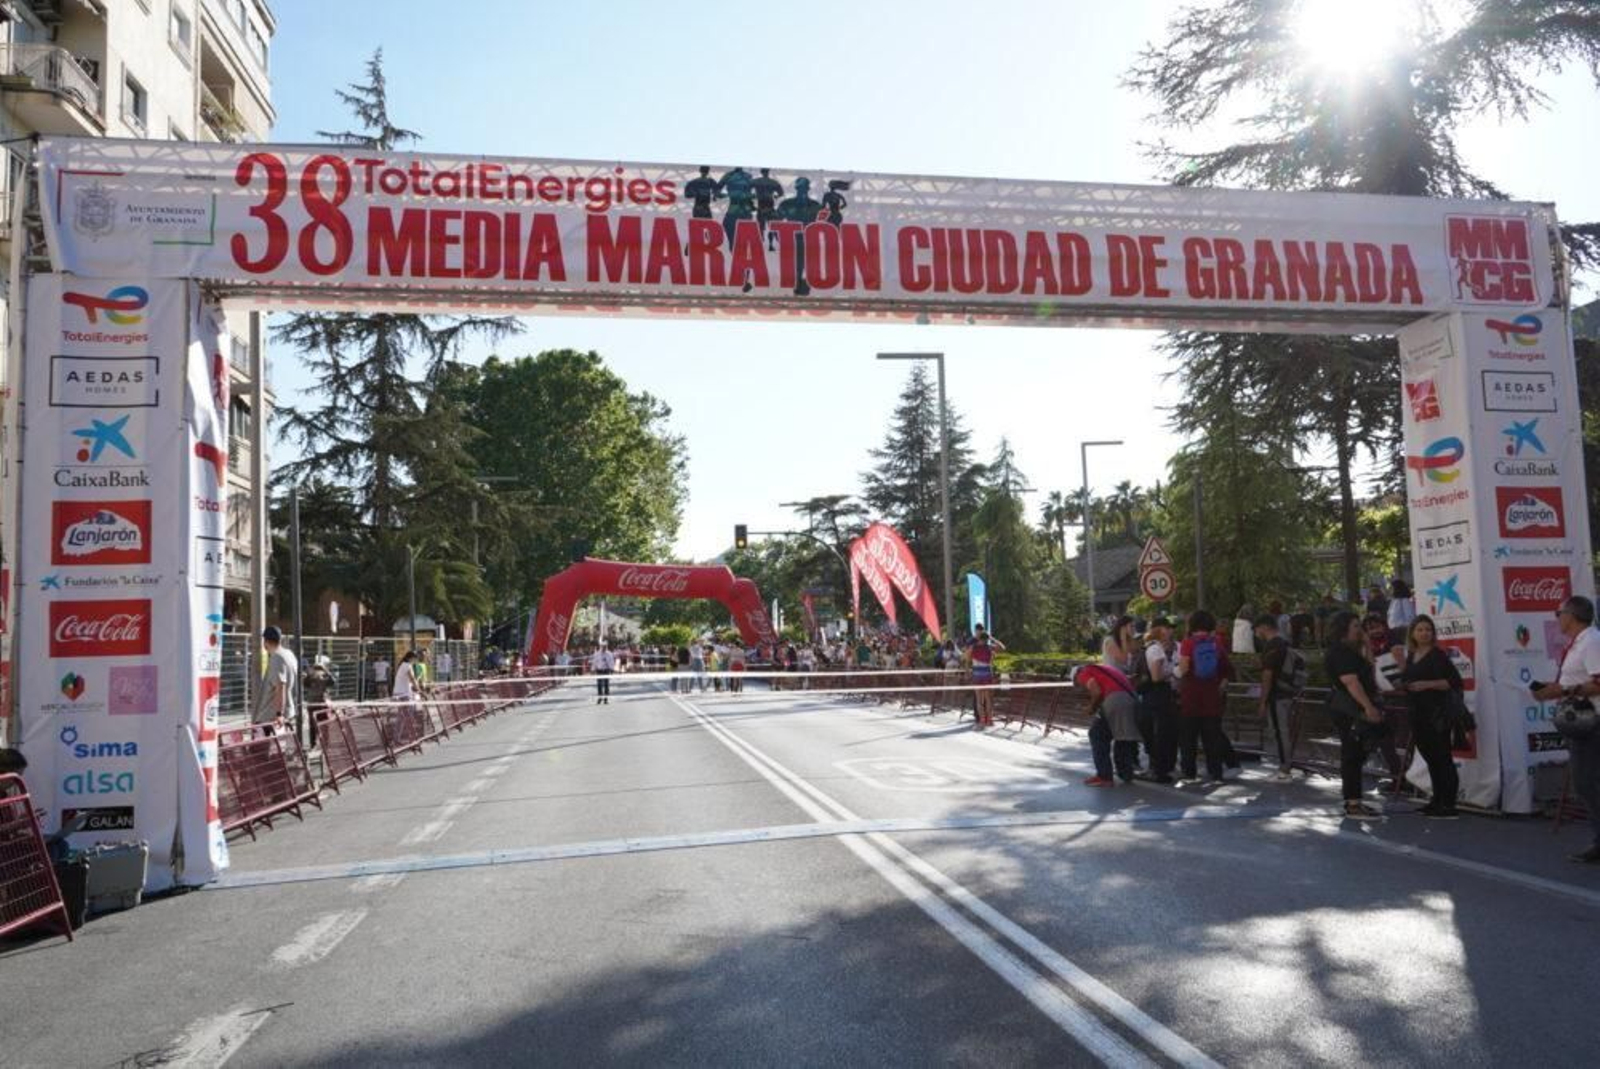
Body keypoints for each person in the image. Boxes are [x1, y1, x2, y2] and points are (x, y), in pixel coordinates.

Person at [1533, 595, 1600, 863]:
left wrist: (1565, 689)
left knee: (1587, 783)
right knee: (1587, 783)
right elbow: (1576, 681)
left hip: (1593, 722)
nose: (1556, 617)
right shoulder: (1579, 643)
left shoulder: (1592, 641)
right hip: (1581, 722)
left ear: (1571, 615)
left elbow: (1596, 682)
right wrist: (1549, 691)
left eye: (1558, 612)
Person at [1398, 614, 1464, 818]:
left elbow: (1453, 682)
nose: (1425, 633)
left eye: (1428, 629)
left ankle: (1449, 804)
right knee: (1430, 757)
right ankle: (1436, 800)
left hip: (1437, 713)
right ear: (1413, 633)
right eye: (1420, 630)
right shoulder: (1412, 654)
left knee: (1443, 757)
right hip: (1417, 712)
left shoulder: (1438, 655)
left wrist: (1426, 684)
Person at [1325, 610, 1387, 820]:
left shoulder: (1350, 651)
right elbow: (1351, 682)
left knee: (1356, 753)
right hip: (1349, 710)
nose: (1359, 630)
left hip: (1353, 708)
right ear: (1343, 629)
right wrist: (1368, 707)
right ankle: (1352, 803)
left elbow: (1370, 667)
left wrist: (1366, 643)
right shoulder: (1340, 652)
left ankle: (1355, 800)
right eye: (1355, 626)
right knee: (1352, 753)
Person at [1176, 610, 1233, 783]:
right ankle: (1216, 774)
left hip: (1190, 697)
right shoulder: (1216, 642)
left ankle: (1189, 773)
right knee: (1212, 737)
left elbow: (1184, 669)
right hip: (1212, 698)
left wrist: (1173, 673)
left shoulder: (1188, 643)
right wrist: (1222, 684)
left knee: (1189, 738)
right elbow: (1227, 668)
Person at [1077, 662, 1141, 785]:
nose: (1081, 686)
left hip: (1114, 700)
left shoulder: (1084, 673)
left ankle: (1104, 776)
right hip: (1131, 699)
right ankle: (1126, 773)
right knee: (1123, 736)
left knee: (1097, 734)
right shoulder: (1104, 668)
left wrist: (1091, 708)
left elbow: (1097, 692)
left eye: (1078, 684)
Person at [1255, 614, 1300, 780]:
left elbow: (1268, 674)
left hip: (1276, 695)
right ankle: (1285, 765)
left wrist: (1262, 700)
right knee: (1283, 731)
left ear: (1264, 627)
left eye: (1257, 629)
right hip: (1287, 692)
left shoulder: (1272, 645)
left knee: (1280, 732)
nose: (1256, 633)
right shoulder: (1284, 643)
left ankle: (1284, 769)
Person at [1136, 617, 1180, 783]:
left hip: (1155, 696)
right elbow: (1156, 677)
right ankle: (1159, 770)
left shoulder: (1155, 647)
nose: (1170, 631)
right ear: (1158, 630)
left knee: (1161, 733)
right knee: (1160, 734)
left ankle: (1161, 769)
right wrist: (1175, 672)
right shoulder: (1156, 649)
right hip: (1157, 695)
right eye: (1167, 628)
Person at [252, 626, 299, 735]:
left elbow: (280, 686)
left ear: (266, 641)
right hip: (288, 711)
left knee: (261, 750)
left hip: (271, 717)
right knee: (281, 749)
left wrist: (279, 714)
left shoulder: (277, 657)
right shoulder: (289, 654)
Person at [967, 625, 1005, 728]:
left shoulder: (973, 647)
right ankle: (989, 720)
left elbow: (966, 657)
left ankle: (982, 720)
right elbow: (1002, 647)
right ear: (987, 639)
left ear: (979, 638)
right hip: (987, 675)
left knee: (979, 700)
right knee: (988, 699)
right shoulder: (989, 647)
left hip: (977, 676)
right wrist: (992, 638)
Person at [301, 655, 336, 750]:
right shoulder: (310, 678)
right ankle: (313, 744)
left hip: (322, 704)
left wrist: (326, 671)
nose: (317, 671)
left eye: (319, 669)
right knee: (312, 726)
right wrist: (309, 673)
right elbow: (305, 683)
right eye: (316, 669)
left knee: (324, 725)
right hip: (312, 704)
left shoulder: (324, 678)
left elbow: (333, 682)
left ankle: (326, 744)